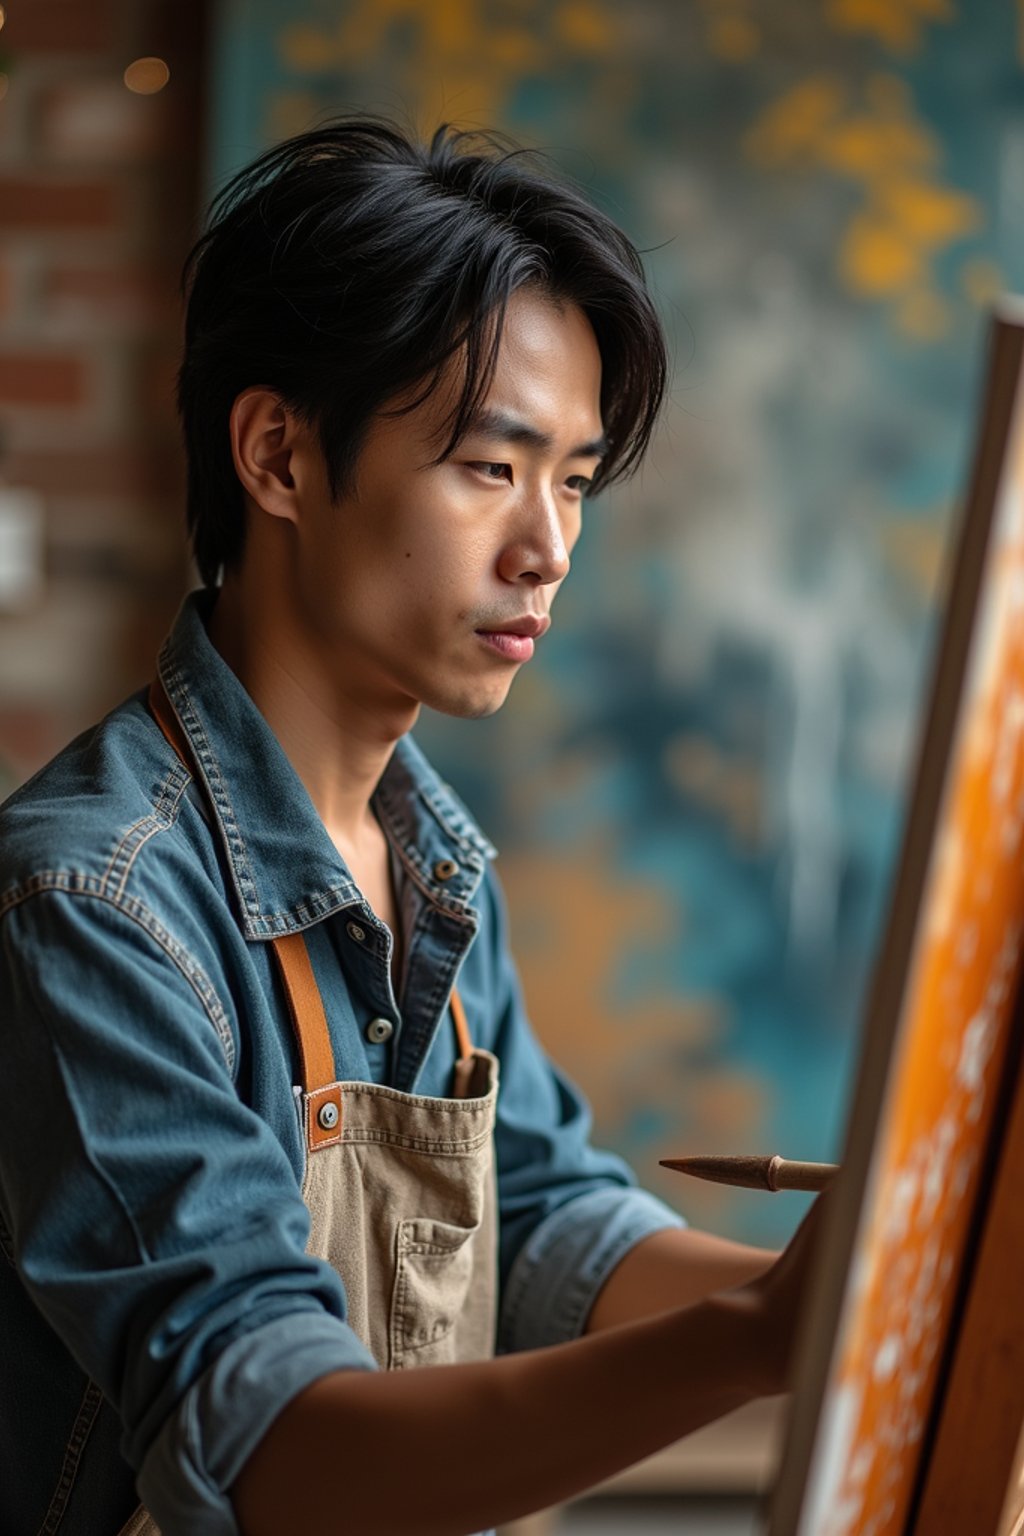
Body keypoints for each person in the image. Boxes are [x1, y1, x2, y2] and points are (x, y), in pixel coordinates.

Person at [0, 118, 822, 1536]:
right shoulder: (89, 902)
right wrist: (762, 1339)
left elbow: (547, 1220)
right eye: (492, 468)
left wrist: (850, 1295)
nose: (550, 549)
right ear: (279, 455)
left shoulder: (427, 861)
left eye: (573, 480)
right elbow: (272, 1450)